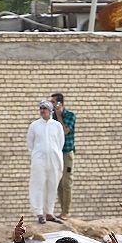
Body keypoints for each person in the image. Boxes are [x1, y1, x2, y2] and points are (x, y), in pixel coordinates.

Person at [26, 101, 64, 224]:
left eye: (45, 108)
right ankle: (39, 213)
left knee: (52, 185)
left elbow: (60, 143)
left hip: (54, 159)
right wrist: (38, 153)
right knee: (38, 185)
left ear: (50, 110)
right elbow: (30, 144)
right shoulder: (34, 125)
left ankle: (49, 213)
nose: (42, 111)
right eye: (41, 108)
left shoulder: (57, 125)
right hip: (39, 159)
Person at [50, 92, 76, 220]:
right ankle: (62, 211)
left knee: (66, 182)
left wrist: (59, 116)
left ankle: (66, 211)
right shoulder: (51, 117)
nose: (52, 105)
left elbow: (65, 131)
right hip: (56, 153)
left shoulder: (70, 115)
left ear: (60, 103)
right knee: (59, 183)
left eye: (54, 102)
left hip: (67, 153)